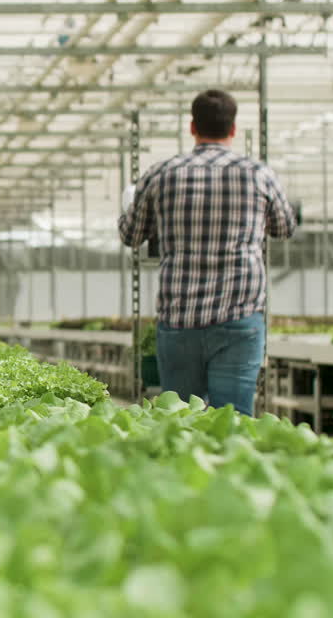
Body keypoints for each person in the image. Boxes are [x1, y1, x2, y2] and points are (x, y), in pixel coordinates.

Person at [118, 89, 297, 415]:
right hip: (239, 317)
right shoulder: (258, 174)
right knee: (235, 419)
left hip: (180, 319)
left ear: (192, 127)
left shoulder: (162, 174)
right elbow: (285, 228)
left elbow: (130, 235)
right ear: (233, 129)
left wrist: (130, 205)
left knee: (180, 418)